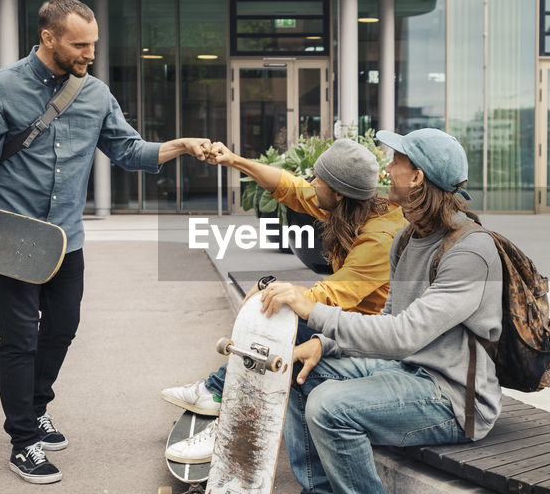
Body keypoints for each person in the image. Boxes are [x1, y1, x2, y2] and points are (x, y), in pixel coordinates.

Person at [0, 0, 210, 485]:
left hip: (67, 238)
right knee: (20, 337)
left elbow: (127, 150)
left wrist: (182, 145)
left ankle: (36, 406)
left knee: (62, 327)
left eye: (93, 43)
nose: (90, 52)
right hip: (12, 237)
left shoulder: (93, 93)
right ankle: (23, 440)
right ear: (48, 38)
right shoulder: (0, 89)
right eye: (80, 44)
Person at [256, 128, 502, 494]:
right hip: (406, 370)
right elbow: (390, 316)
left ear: (418, 177)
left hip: (451, 396)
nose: (385, 170)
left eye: (396, 162)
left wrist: (317, 312)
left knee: (329, 406)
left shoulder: (472, 252)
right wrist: (322, 344)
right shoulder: (407, 239)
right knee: (298, 371)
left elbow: (403, 334)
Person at [159, 138, 406, 463]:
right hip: (342, 325)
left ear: (340, 191)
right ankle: (220, 396)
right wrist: (235, 160)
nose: (312, 183)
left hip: (366, 342)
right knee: (278, 317)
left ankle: (225, 414)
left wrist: (271, 289)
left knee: (279, 318)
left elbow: (328, 297)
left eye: (319, 180)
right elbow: (290, 188)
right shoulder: (351, 206)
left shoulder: (378, 239)